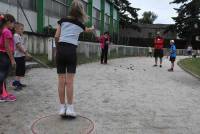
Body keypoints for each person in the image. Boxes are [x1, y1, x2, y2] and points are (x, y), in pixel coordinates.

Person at [54, 0, 94, 117]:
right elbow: (86, 30)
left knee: (61, 81)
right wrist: (91, 29)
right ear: (81, 11)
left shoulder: (62, 20)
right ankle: (70, 109)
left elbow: (56, 36)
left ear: (71, 9)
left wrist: (58, 48)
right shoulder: (79, 24)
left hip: (60, 50)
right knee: (70, 82)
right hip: (71, 51)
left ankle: (62, 108)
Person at [0, 14, 16, 102]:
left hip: (2, 55)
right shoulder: (7, 31)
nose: (13, 25)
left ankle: (4, 93)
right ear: (9, 22)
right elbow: (7, 46)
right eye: (13, 23)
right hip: (4, 55)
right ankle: (2, 95)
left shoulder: (3, 30)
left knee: (2, 75)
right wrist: (12, 59)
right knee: (2, 75)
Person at [12, 22, 31, 91]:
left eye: (23, 29)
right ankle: (16, 84)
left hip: (21, 56)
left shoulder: (19, 36)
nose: (22, 30)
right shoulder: (16, 36)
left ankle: (17, 82)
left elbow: (22, 45)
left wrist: (26, 53)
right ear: (16, 29)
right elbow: (19, 46)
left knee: (21, 70)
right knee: (19, 70)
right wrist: (25, 53)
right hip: (18, 56)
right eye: (21, 29)